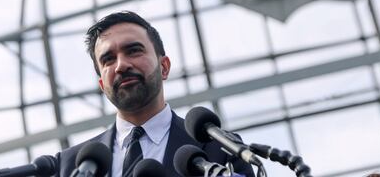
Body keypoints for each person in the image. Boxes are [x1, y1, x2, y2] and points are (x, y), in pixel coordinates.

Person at [55, 11, 253, 177]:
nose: (121, 65)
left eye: (133, 51)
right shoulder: (69, 165)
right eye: (108, 59)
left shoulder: (221, 148)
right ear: (102, 85)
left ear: (164, 67)